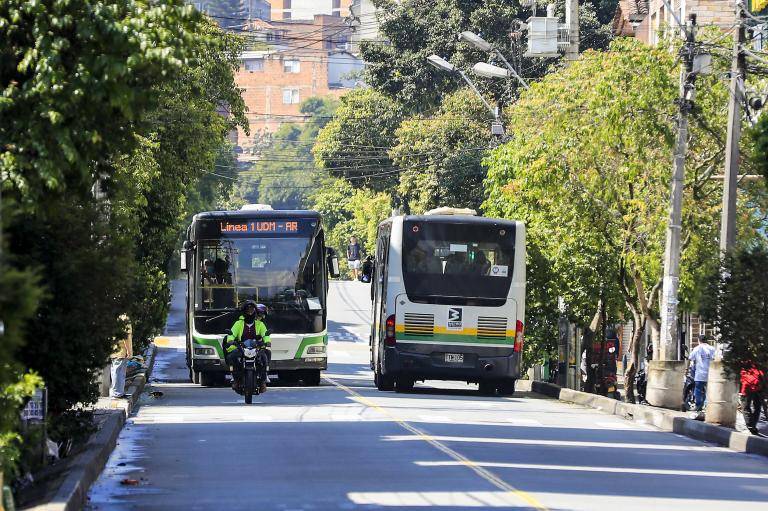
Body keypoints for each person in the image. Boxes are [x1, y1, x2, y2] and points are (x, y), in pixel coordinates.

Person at [225, 301, 271, 394]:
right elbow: (232, 334)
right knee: (232, 357)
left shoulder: (260, 324)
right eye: (248, 310)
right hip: (241, 347)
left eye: (252, 310)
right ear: (244, 312)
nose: (250, 312)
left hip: (256, 347)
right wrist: (230, 340)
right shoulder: (238, 323)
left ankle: (263, 381)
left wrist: (267, 342)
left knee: (265, 355)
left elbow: (265, 335)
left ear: (255, 311)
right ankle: (236, 380)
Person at [688, 334, 715, 412]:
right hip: (710, 373)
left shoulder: (697, 348)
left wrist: (686, 369)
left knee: (698, 389)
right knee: (709, 391)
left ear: (699, 340)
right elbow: (715, 359)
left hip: (700, 374)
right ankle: (707, 407)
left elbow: (690, 358)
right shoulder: (712, 348)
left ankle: (698, 405)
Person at [110, 315, 133, 398]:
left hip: (113, 349)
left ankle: (118, 392)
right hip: (121, 350)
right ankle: (117, 393)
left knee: (115, 371)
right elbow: (126, 337)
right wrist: (129, 351)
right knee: (119, 372)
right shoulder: (124, 318)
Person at [740, 363, 765, 436]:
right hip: (757, 387)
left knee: (746, 407)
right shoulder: (759, 362)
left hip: (748, 387)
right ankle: (752, 426)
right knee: (757, 407)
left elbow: (744, 375)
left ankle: (751, 426)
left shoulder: (746, 362)